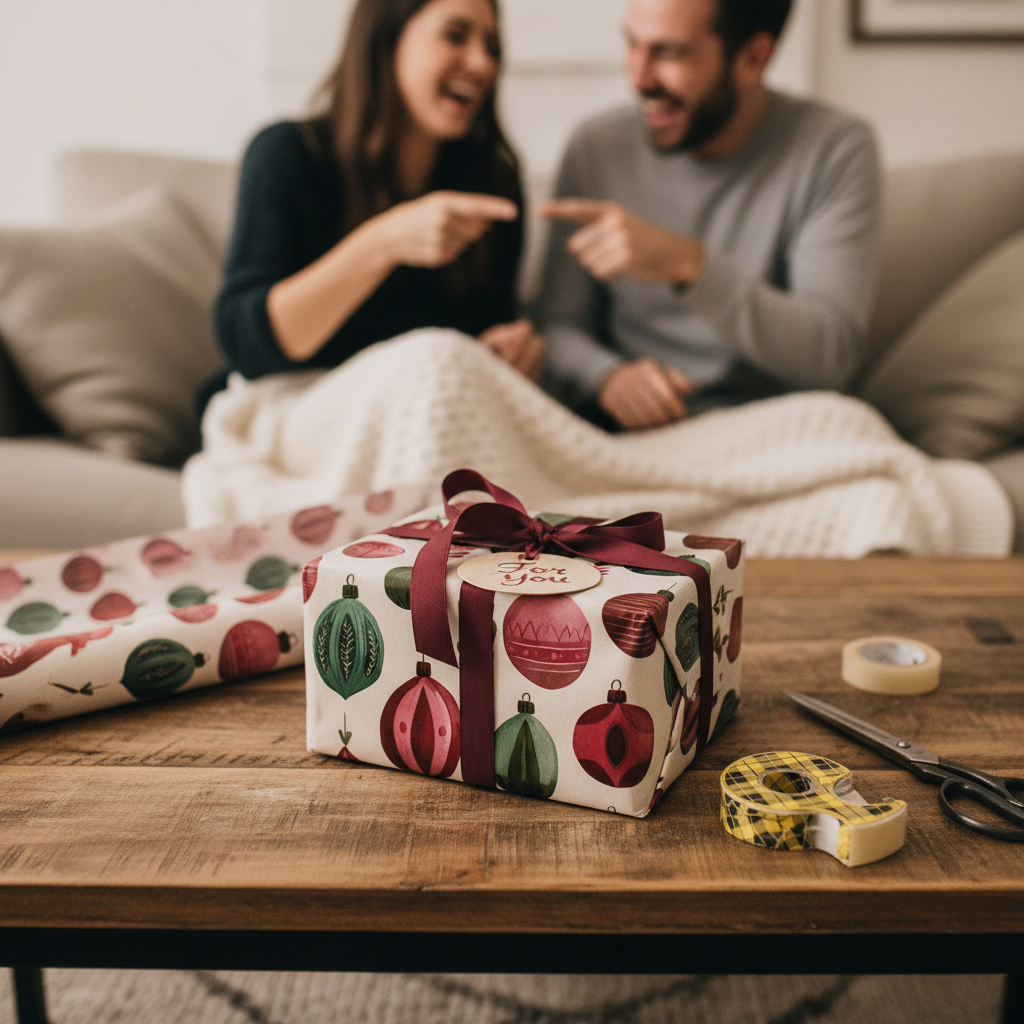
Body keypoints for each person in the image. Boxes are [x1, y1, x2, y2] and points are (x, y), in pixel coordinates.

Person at [537, 0, 881, 431]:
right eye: (632, 45)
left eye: (669, 53)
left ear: (754, 58)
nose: (638, 79)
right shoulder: (596, 147)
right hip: (633, 436)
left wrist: (690, 265)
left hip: (776, 432)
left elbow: (831, 356)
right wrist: (608, 377)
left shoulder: (834, 149)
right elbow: (558, 325)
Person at [210, 0, 543, 406]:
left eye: (492, 46)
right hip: (294, 410)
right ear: (385, 40)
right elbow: (246, 349)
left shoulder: (494, 182)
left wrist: (512, 355)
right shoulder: (287, 155)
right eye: (455, 36)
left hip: (426, 417)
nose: (482, 63)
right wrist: (383, 243)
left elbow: (481, 345)